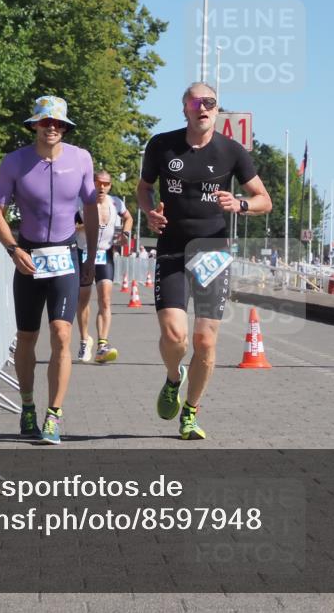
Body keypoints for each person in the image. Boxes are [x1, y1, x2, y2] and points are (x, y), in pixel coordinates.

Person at [136, 82, 272, 440]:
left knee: (206, 341)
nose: (203, 108)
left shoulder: (232, 151)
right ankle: (172, 378)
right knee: (174, 335)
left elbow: (263, 199)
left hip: (212, 250)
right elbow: (143, 187)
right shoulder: (162, 145)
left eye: (209, 102)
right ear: (185, 109)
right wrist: (150, 212)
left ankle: (191, 411)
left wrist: (241, 205)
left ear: (217, 109)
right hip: (172, 248)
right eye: (195, 102)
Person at [0, 95, 98, 445]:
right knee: (26, 337)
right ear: (34, 125)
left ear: (65, 127)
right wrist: (13, 250)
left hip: (66, 255)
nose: (51, 127)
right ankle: (26, 406)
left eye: (57, 123)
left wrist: (91, 257)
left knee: (62, 334)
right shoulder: (14, 162)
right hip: (29, 254)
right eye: (44, 122)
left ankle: (53, 414)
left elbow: (91, 208)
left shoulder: (81, 158)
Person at [75, 170, 133, 364]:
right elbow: (68, 226)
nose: (102, 187)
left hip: (104, 254)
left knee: (105, 300)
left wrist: (125, 233)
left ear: (110, 186)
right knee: (83, 299)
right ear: (92, 183)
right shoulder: (80, 202)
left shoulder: (116, 202)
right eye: (98, 182)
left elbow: (129, 218)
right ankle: (85, 340)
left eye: (106, 184)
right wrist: (86, 225)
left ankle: (102, 345)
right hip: (83, 253)